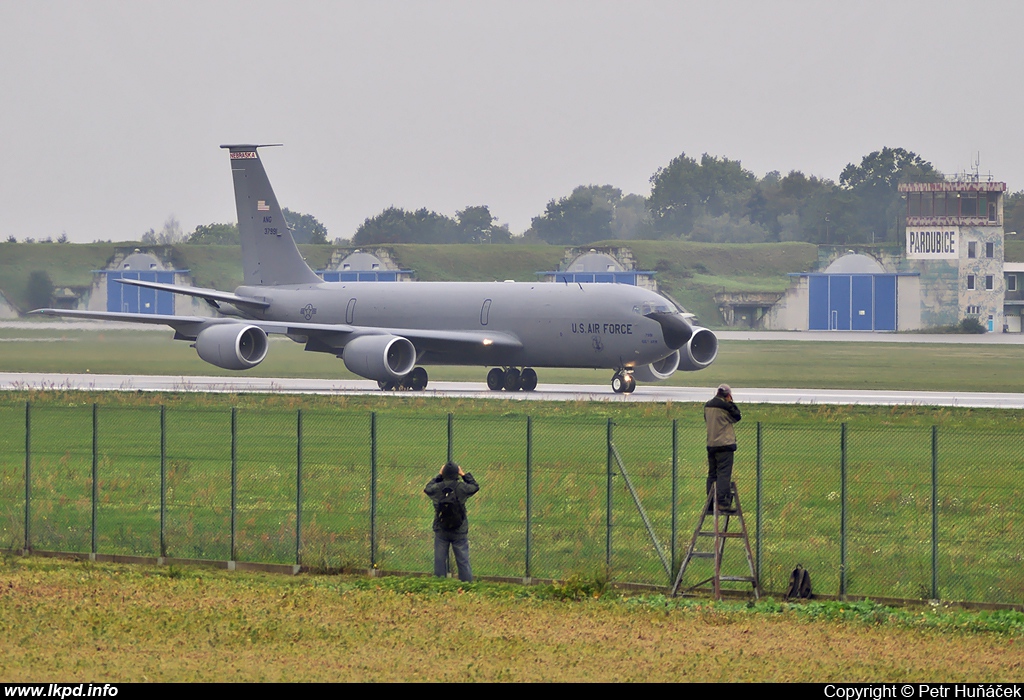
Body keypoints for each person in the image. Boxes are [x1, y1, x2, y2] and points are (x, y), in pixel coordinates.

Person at [424, 461, 479, 581]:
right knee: (463, 559)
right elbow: (475, 487)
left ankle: (440, 584)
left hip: (441, 528)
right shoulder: (462, 488)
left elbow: (427, 489)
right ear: (456, 474)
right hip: (459, 528)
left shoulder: (438, 488)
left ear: (444, 473)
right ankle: (466, 585)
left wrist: (439, 476)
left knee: (440, 559)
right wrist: (464, 475)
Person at [704, 383, 741, 513]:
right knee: (724, 474)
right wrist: (731, 402)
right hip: (725, 445)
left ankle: (710, 503)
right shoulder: (726, 406)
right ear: (728, 395)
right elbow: (737, 416)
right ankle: (722, 503)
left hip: (711, 444)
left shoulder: (708, 405)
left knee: (712, 475)